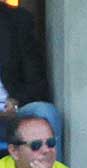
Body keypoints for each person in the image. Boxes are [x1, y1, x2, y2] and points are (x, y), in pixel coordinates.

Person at [0, 1, 63, 159]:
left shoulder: (17, 20)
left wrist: (15, 103)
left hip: (12, 112)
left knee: (45, 111)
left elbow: (37, 82)